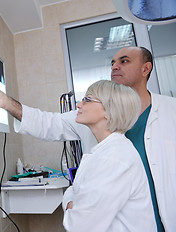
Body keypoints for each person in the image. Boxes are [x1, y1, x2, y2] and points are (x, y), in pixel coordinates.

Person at [0, 46, 176, 231]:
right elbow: (48, 123)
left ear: (146, 68)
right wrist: (6, 102)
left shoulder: (170, 110)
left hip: (162, 214)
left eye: (124, 61)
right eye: (112, 62)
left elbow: (79, 222)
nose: (115, 66)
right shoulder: (94, 121)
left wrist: (70, 199)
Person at [62, 80, 156, 231]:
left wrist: (69, 202)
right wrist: (73, 202)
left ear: (109, 110)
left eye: (87, 100)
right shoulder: (106, 150)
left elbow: (79, 226)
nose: (79, 105)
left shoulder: (114, 157)